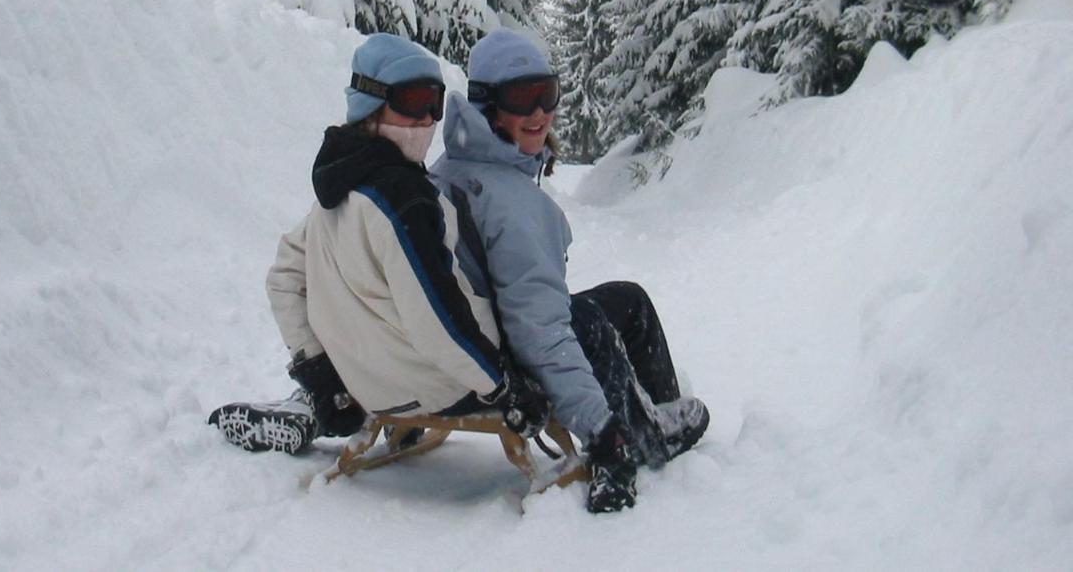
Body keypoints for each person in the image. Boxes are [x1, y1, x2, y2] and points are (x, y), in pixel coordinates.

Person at [208, 34, 545, 454]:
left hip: (369, 387)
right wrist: (502, 386)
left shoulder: (339, 189)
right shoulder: (404, 198)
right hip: (444, 384)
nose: (426, 119)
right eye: (411, 100)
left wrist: (321, 375)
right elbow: (436, 319)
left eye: (434, 102)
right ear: (370, 103)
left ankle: (318, 403)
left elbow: (283, 279)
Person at [429, 28, 710, 514]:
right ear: (487, 104)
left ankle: (653, 401)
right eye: (522, 97)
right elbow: (541, 332)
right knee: (589, 323)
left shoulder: (452, 165)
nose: (540, 112)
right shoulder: (511, 203)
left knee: (628, 299)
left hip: (480, 334)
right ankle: (645, 434)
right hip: (510, 358)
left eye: (548, 94)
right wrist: (603, 433)